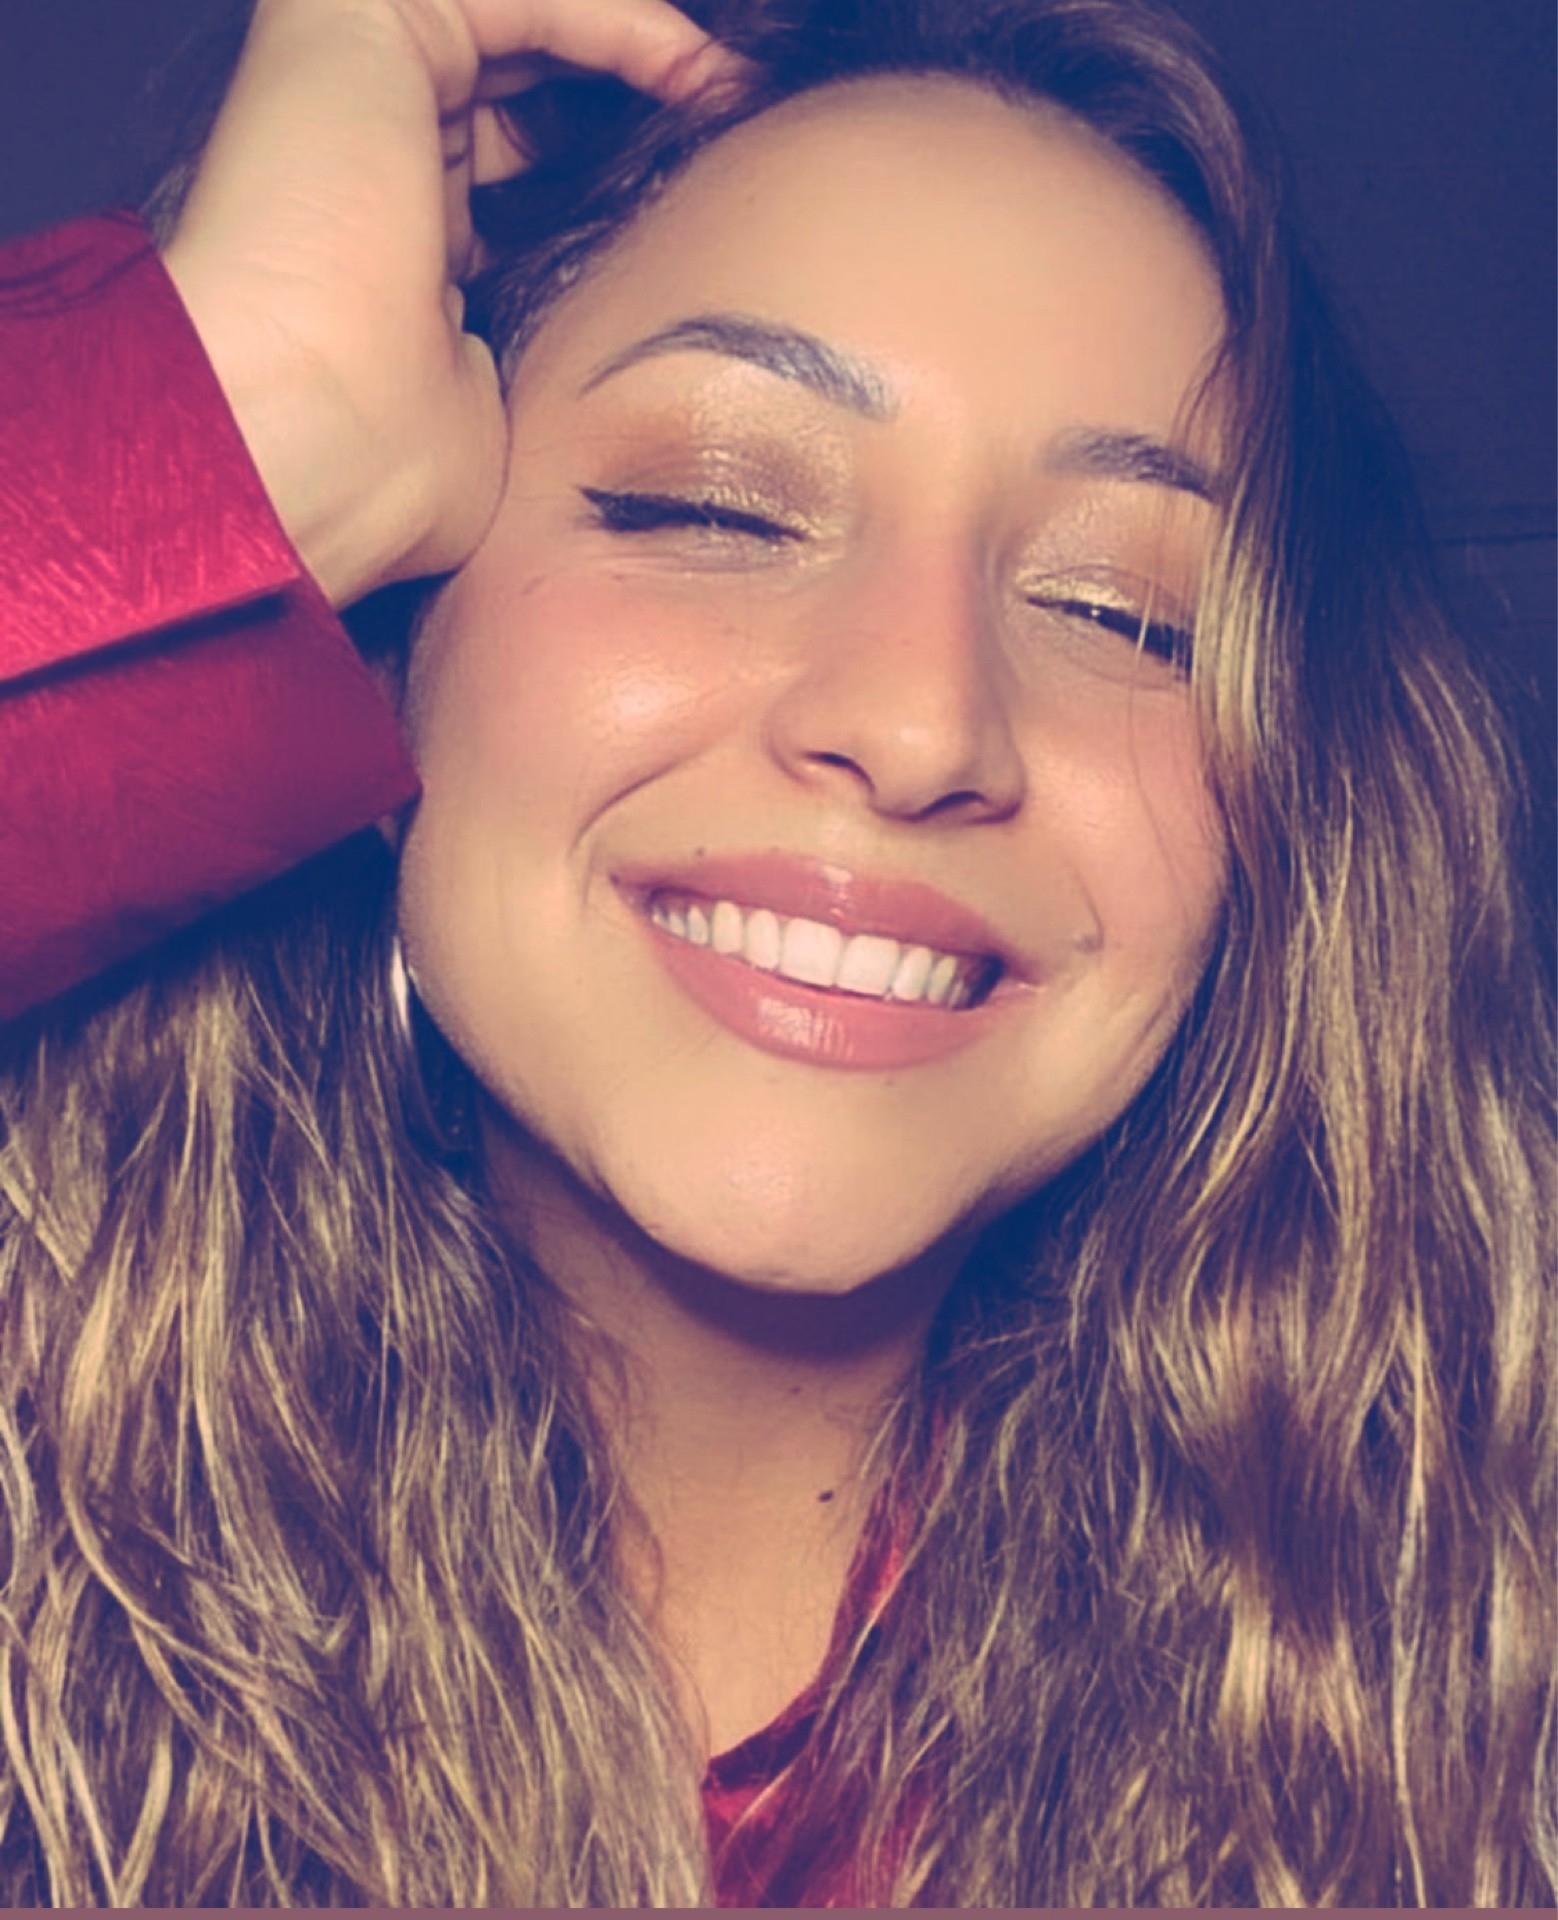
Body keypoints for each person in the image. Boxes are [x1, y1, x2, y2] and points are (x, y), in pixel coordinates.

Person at [0, 0, 1551, 1904]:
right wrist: (225, 436)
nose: (917, 723)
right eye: (715, 506)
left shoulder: (1488, 1703)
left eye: (1121, 610)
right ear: (387, 632)